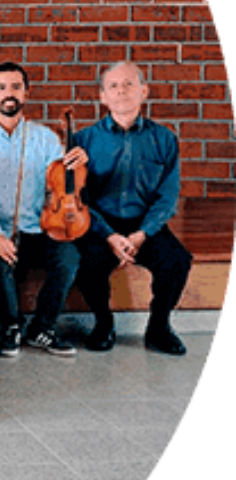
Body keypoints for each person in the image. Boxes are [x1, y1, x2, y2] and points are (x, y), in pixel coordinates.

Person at [0, 63, 87, 357]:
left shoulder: (45, 138)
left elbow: (61, 181)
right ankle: (10, 325)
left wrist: (75, 161)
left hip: (35, 228)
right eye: (2, 87)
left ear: (26, 93)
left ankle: (43, 328)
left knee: (69, 256)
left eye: (16, 87)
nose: (9, 93)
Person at [72, 61, 192, 355]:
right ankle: (103, 324)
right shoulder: (83, 140)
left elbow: (167, 196)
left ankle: (159, 328)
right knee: (86, 261)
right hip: (100, 224)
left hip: (144, 224)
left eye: (129, 84)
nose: (121, 91)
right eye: (113, 86)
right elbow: (78, 198)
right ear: (103, 96)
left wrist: (141, 234)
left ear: (144, 92)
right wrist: (109, 235)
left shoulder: (164, 139)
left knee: (177, 260)